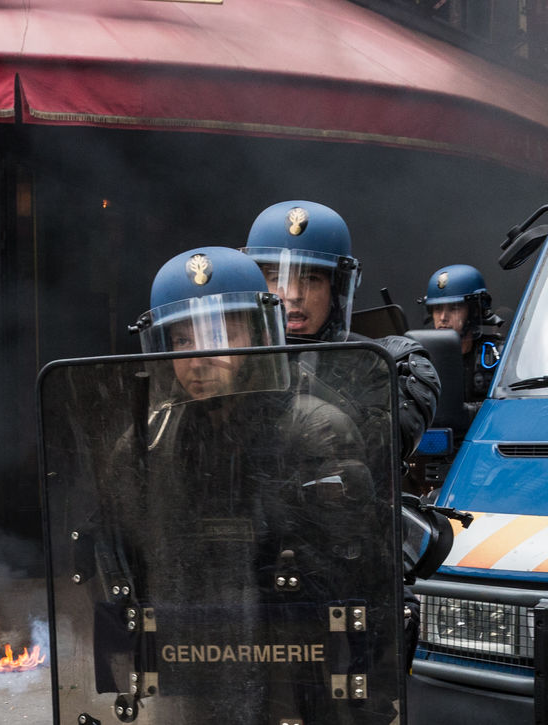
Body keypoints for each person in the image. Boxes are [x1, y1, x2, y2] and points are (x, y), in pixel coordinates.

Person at [123, 247, 382, 723]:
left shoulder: (315, 430)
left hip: (295, 655)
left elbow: (349, 574)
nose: (198, 359)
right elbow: (124, 551)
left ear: (261, 336)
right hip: (192, 645)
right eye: (181, 340)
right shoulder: (150, 440)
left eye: (220, 336)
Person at [242, 200, 438, 461]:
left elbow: (377, 454)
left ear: (336, 291)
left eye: (311, 279)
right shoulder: (230, 362)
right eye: (277, 278)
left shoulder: (381, 364)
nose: (293, 294)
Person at [419, 263, 501, 408]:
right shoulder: (421, 361)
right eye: (437, 309)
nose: (443, 318)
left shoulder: (498, 356)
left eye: (454, 308)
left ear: (474, 311)